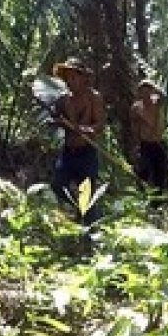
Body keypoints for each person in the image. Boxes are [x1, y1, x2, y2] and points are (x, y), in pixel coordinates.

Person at [49, 58, 107, 224]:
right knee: (58, 186)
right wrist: (57, 122)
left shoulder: (93, 98)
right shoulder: (63, 99)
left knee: (86, 197)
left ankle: (90, 233)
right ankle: (74, 212)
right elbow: (56, 118)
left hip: (86, 153)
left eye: (73, 77)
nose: (70, 81)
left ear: (83, 78)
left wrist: (86, 130)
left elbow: (100, 124)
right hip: (68, 153)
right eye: (67, 77)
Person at [131, 79, 168, 190]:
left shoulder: (156, 102)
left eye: (147, 91)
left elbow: (164, 96)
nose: (145, 94)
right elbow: (135, 127)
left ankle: (159, 199)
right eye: (142, 91)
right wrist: (136, 143)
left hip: (158, 142)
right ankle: (144, 194)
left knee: (160, 172)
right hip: (145, 144)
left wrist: (153, 86)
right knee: (143, 171)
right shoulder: (136, 108)